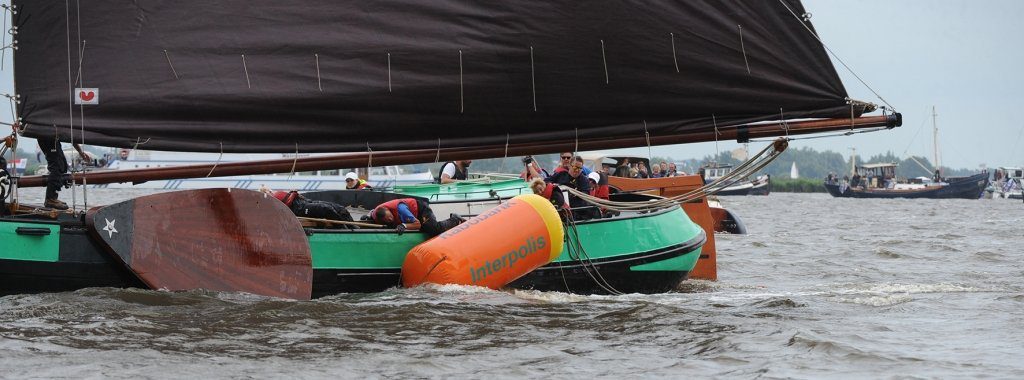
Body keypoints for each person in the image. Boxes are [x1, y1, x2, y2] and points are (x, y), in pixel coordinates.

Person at [36, 135, 88, 210]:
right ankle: (50, 199)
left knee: (62, 165)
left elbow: (70, 134)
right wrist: (80, 151)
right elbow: (70, 134)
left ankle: (53, 197)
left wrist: (80, 151)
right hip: (48, 136)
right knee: (57, 165)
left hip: (52, 137)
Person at [369, 197, 464, 237]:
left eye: (390, 216)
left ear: (389, 210)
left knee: (431, 228)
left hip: (420, 210)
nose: (390, 219)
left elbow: (417, 224)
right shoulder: (377, 214)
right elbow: (372, 213)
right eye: (387, 220)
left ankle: (455, 219)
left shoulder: (401, 209)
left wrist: (404, 226)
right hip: (410, 216)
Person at [265, 188, 355, 224]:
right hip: (298, 209)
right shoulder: (272, 203)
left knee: (339, 208)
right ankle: (346, 227)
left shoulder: (275, 197)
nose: (268, 192)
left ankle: (352, 227)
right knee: (326, 208)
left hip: (301, 203)